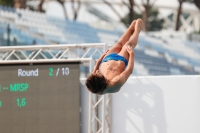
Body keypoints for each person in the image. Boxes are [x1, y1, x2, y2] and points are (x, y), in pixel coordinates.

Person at [85, 19, 143, 95]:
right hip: (120, 61)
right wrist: (132, 55)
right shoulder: (116, 82)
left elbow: (95, 71)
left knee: (119, 43)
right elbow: (129, 70)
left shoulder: (94, 85)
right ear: (104, 81)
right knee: (127, 45)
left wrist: (99, 60)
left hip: (107, 59)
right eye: (99, 74)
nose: (97, 71)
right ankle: (137, 30)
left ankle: (130, 29)